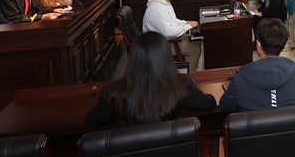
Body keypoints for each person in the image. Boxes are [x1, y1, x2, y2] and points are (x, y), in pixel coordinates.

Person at [84, 31, 216, 127]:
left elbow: (90, 120)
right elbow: (209, 103)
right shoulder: (182, 87)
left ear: (133, 60)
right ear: (167, 59)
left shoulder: (114, 94)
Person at [219, 18, 295, 112]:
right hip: (290, 122)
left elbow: (225, 106)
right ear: (284, 44)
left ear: (258, 44)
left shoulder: (241, 77)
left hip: (254, 123)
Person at [143, 0, 201, 68]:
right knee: (195, 49)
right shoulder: (156, 8)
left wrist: (185, 23)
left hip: (165, 39)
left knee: (196, 40)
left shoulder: (164, 2)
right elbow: (168, 32)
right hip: (159, 45)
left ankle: (186, 69)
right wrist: (188, 26)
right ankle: (188, 74)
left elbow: (173, 20)